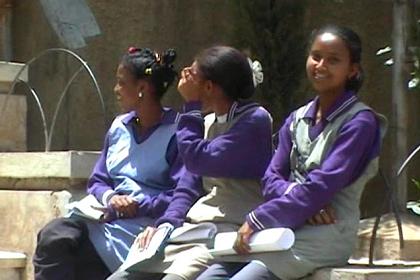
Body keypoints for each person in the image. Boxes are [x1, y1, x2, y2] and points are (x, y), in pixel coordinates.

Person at [197, 25, 387, 280]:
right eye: (316, 56)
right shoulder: (297, 119)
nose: (320, 65)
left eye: (333, 60)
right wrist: (299, 198)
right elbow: (271, 177)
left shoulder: (360, 122)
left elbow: (323, 185)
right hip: (281, 227)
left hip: (325, 234)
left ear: (352, 70)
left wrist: (260, 218)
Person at [107, 46, 273, 280]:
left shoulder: (254, 120)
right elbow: (187, 186)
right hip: (193, 230)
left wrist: (191, 106)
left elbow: (199, 159)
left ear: (208, 87)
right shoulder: (206, 123)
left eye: (192, 74)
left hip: (229, 232)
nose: (184, 77)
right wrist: (165, 224)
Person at [33, 47, 194, 280]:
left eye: (121, 83)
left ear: (142, 88)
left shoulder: (176, 133)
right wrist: (111, 198)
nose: (116, 90)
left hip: (143, 229)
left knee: (76, 261)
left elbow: (180, 193)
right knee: (53, 237)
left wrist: (137, 205)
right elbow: (99, 179)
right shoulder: (119, 127)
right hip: (103, 219)